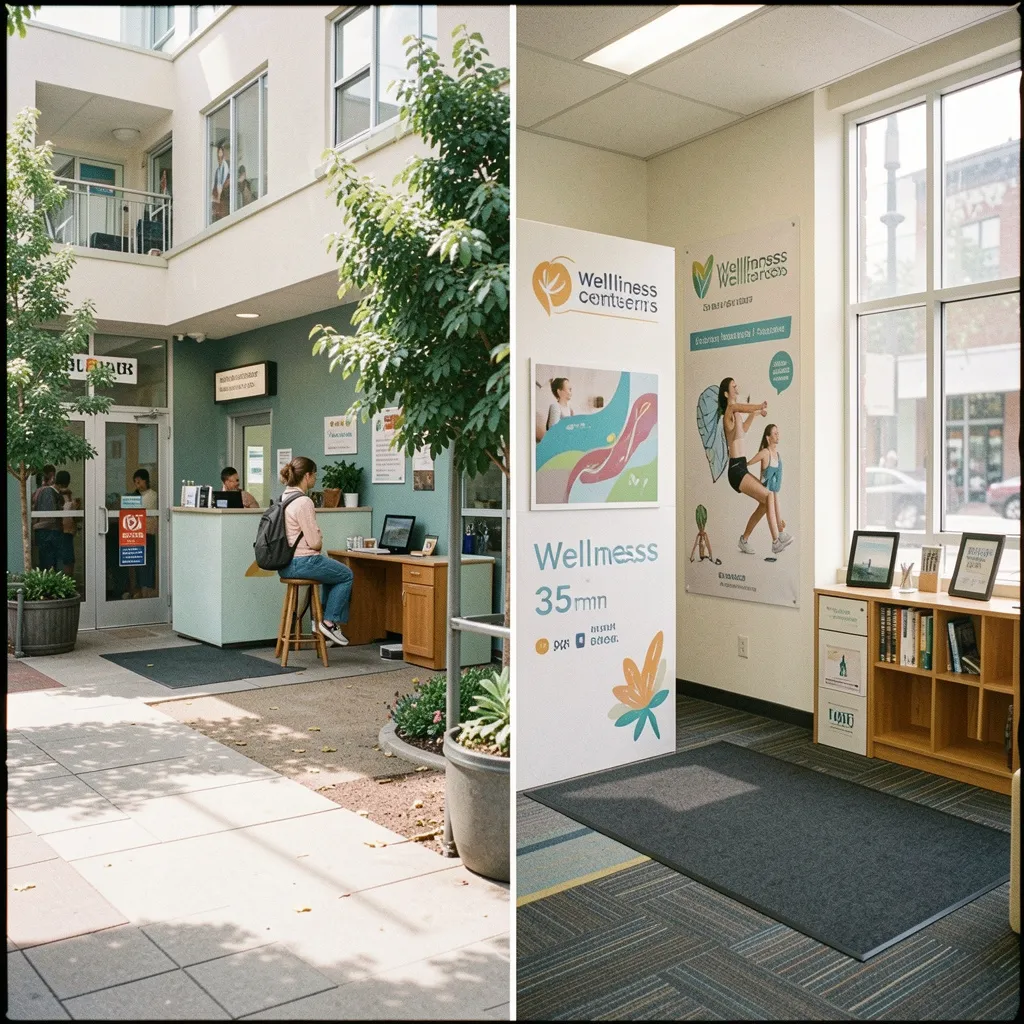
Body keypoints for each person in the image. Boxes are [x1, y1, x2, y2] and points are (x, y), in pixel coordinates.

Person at [277, 456, 354, 647]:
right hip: (304, 562)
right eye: (315, 476)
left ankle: (317, 623)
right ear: (307, 476)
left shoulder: (284, 497)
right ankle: (328, 622)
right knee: (345, 575)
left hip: (285, 564)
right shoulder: (304, 501)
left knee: (331, 573)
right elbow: (315, 543)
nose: (315, 480)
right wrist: (319, 536)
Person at [717, 377, 789, 557]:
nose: (737, 388)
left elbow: (744, 429)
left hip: (741, 466)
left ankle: (744, 539)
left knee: (766, 502)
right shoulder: (729, 411)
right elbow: (738, 407)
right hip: (735, 469)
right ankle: (776, 541)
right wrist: (758, 406)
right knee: (768, 494)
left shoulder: (737, 416)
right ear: (726, 393)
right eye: (733, 386)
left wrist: (755, 414)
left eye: (736, 385)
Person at [744, 423, 792, 551]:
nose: (778, 435)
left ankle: (744, 539)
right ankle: (778, 537)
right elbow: (748, 463)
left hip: (771, 491)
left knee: (757, 515)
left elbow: (777, 482)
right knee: (772, 496)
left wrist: (779, 518)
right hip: (764, 491)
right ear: (768, 438)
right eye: (775, 433)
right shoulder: (765, 453)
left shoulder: (778, 455)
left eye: (778, 433)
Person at [133, 468, 159, 597]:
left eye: (139, 481)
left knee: (148, 562)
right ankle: (139, 590)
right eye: (135, 482)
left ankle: (147, 590)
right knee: (138, 562)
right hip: (136, 533)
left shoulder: (153, 495)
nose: (137, 485)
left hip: (148, 532)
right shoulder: (134, 496)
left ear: (146, 481)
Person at [31, 464, 63, 571]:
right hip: (49, 532)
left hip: (41, 532)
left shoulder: (38, 491)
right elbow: (50, 515)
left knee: (44, 562)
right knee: (50, 564)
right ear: (52, 476)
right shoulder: (48, 491)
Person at [54, 470, 78, 577]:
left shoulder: (54, 493)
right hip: (66, 530)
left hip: (57, 530)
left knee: (59, 559)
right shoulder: (67, 495)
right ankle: (68, 584)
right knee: (68, 560)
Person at [211, 143, 230, 220]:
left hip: (223, 193)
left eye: (221, 152)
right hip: (219, 192)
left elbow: (223, 180)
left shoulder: (226, 165)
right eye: (218, 152)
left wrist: (219, 195)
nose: (220, 154)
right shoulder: (218, 168)